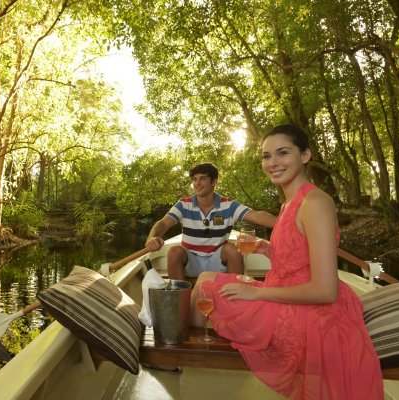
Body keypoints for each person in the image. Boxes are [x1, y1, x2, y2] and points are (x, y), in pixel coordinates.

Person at [190, 125, 383, 399]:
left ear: (305, 155)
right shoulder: (289, 202)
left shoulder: (315, 203)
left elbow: (325, 290)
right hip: (289, 293)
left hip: (311, 312)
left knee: (207, 284)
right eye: (266, 156)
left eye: (282, 153)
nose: (272, 163)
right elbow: (300, 252)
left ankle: (185, 357)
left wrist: (256, 292)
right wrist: (269, 249)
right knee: (205, 282)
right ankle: (193, 353)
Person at [145, 162, 276, 280]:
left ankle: (236, 295)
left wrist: (288, 222)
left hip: (217, 261)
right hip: (191, 260)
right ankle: (179, 298)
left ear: (214, 182)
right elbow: (163, 223)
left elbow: (258, 215)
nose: (197, 183)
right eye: (195, 179)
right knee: (174, 251)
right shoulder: (184, 204)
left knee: (232, 249)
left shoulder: (229, 205)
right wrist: (152, 238)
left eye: (202, 178)